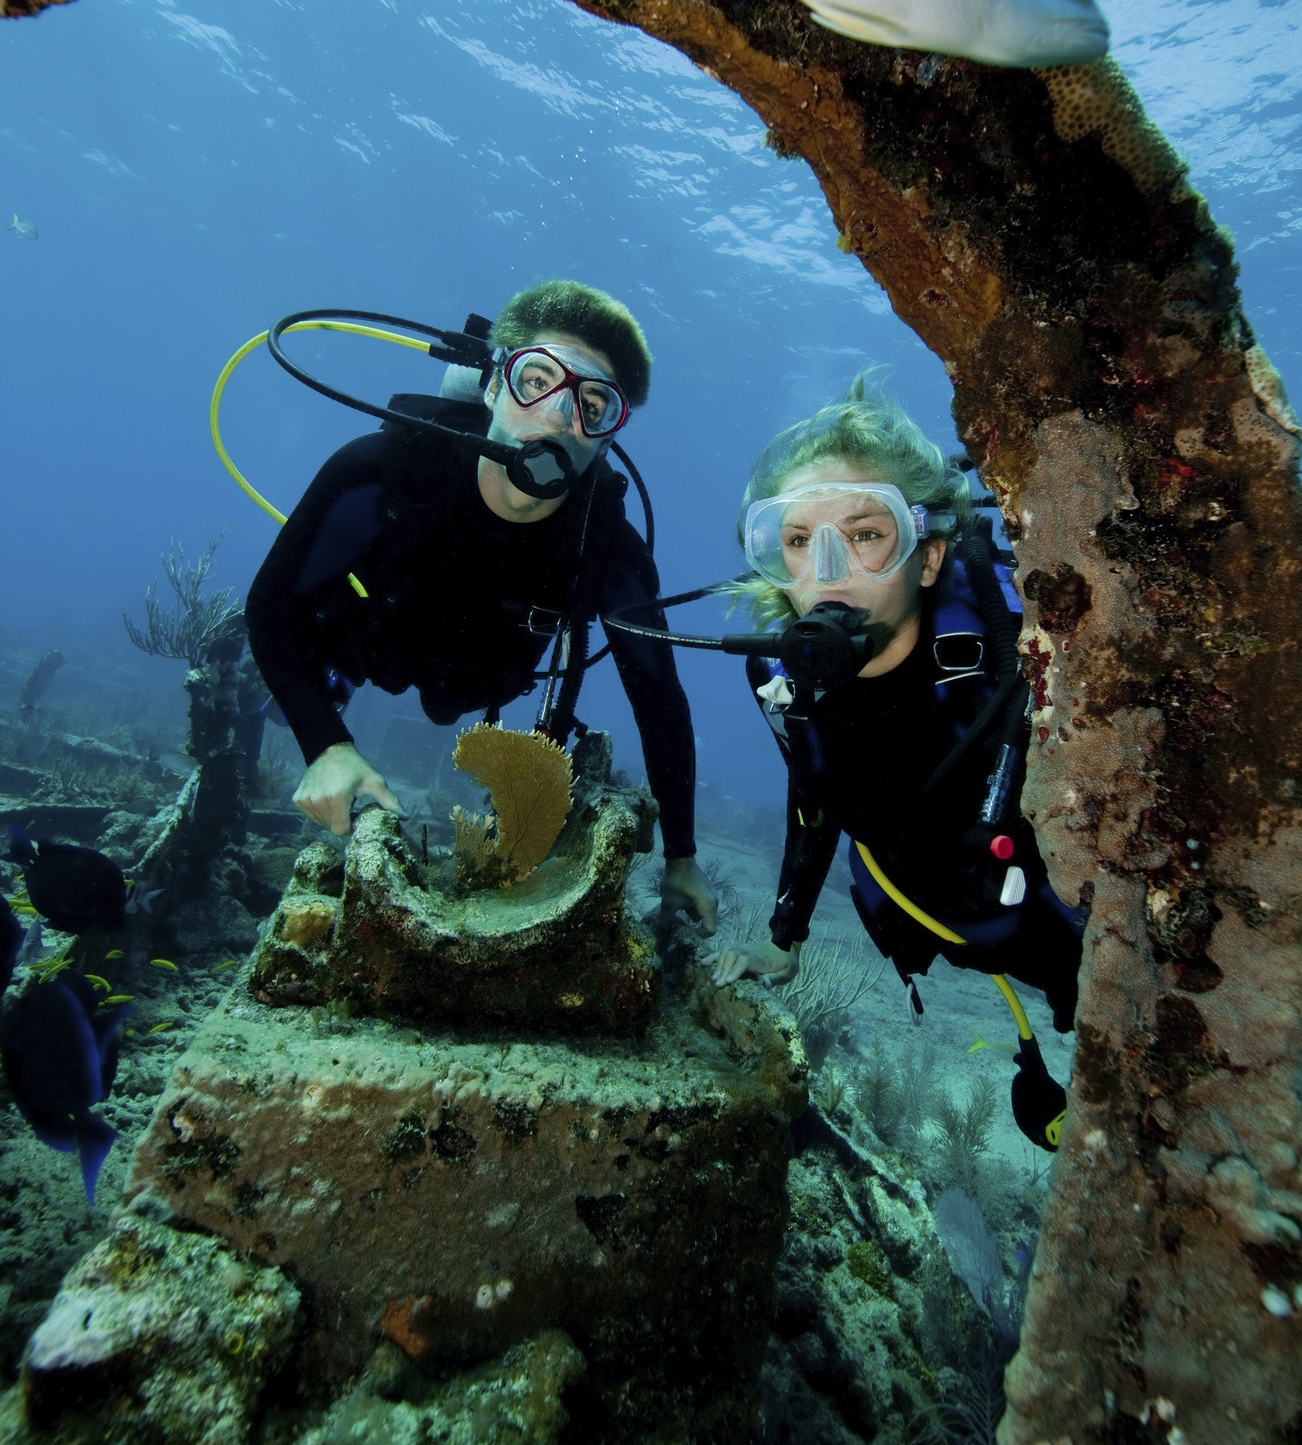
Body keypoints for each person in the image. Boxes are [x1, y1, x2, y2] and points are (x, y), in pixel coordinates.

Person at [246, 278, 716, 933]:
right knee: (320, 643)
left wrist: (681, 858)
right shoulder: (381, 469)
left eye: (593, 404)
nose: (556, 417)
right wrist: (324, 743)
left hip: (476, 677)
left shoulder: (608, 548)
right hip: (371, 636)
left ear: (607, 436)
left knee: (446, 706)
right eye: (535, 380)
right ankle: (334, 682)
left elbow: (658, 696)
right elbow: (267, 605)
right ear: (493, 385)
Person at [706, 377, 1082, 1072]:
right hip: (916, 916)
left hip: (1058, 938)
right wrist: (782, 939)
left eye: (866, 535)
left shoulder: (1016, 651)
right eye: (795, 540)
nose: (826, 573)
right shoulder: (780, 679)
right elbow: (812, 792)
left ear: (928, 552)